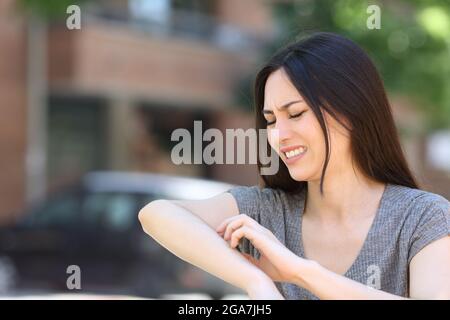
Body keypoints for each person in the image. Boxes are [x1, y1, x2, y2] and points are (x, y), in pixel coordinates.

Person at [138, 32, 450, 300]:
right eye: (271, 120)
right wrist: (256, 281)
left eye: (296, 113)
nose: (279, 136)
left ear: (352, 111)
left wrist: (300, 272)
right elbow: (156, 214)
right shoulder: (268, 212)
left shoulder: (422, 218)